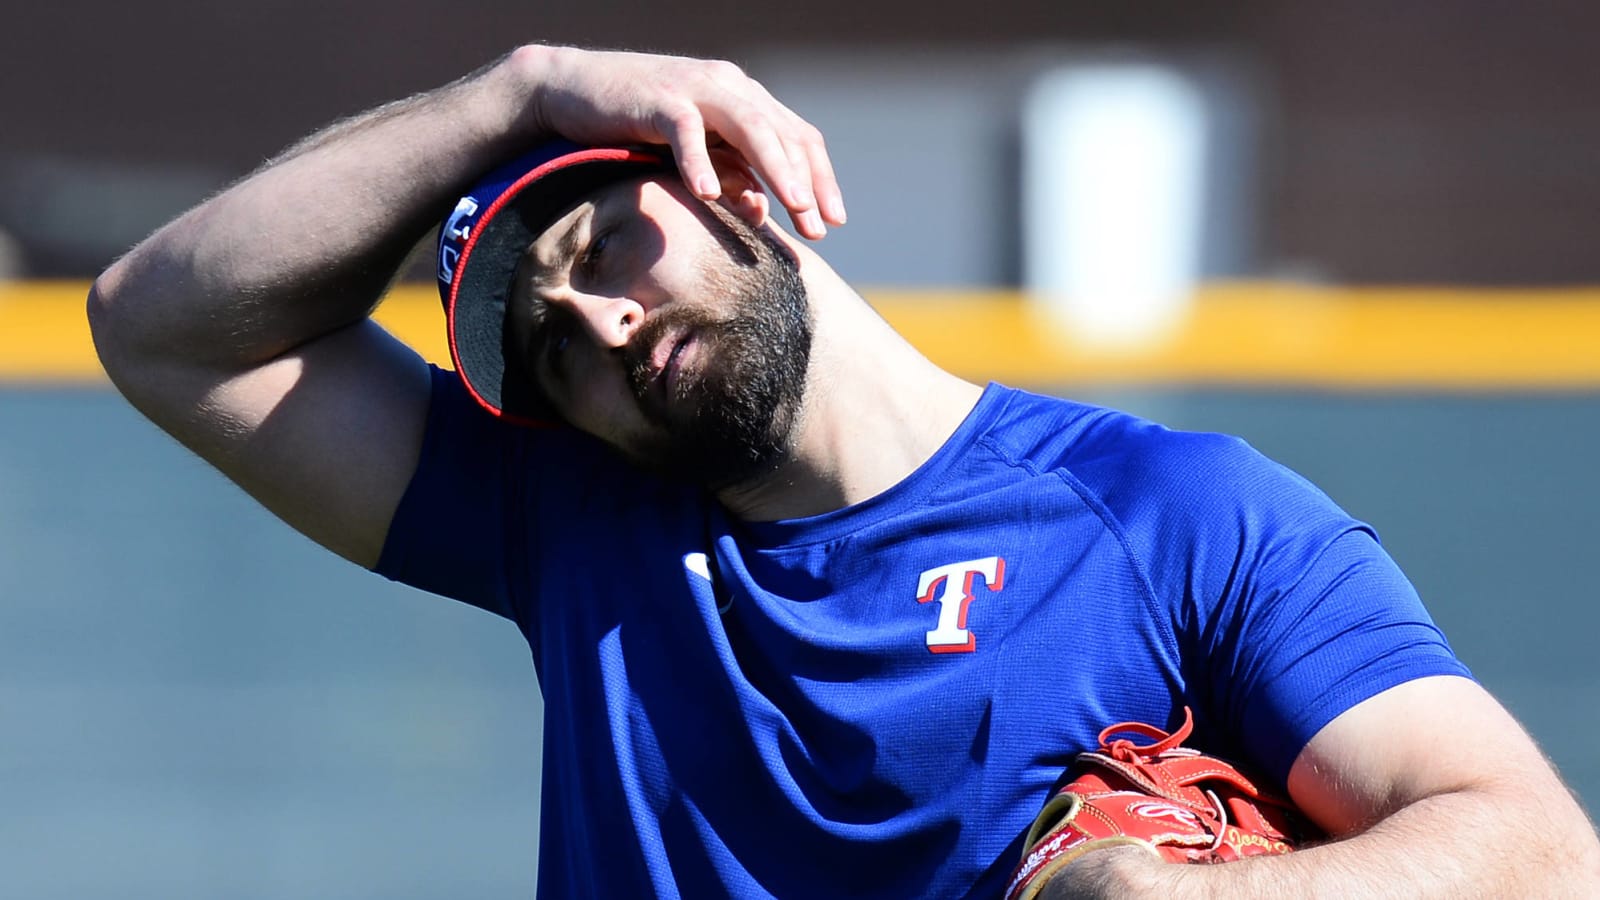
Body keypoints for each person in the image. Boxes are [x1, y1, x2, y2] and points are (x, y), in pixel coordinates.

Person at [88, 44, 1599, 898]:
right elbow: (163, 326)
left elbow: (1538, 851)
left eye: (608, 242)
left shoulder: (1170, 516)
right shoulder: (566, 521)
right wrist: (520, 89)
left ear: (733, 177)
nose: (601, 323)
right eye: (550, 347)